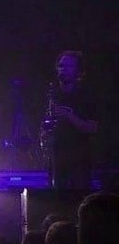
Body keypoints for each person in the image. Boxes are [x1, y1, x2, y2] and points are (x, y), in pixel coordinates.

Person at [46, 51, 98, 189]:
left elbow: (91, 128)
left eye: (69, 66)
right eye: (61, 66)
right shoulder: (54, 94)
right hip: (57, 156)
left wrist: (68, 116)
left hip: (79, 158)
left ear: (79, 72)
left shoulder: (86, 96)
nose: (63, 69)